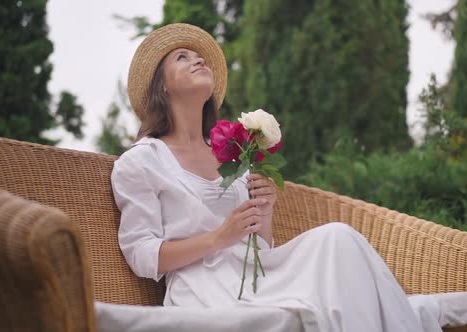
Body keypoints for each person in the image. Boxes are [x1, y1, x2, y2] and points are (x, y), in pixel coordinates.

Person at [111, 23, 424, 331]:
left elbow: (259, 246)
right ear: (162, 86)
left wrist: (265, 211)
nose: (198, 59)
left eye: (199, 56)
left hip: (258, 276)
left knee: (339, 237)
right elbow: (141, 254)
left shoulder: (233, 155)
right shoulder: (140, 163)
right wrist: (218, 238)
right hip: (205, 290)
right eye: (182, 57)